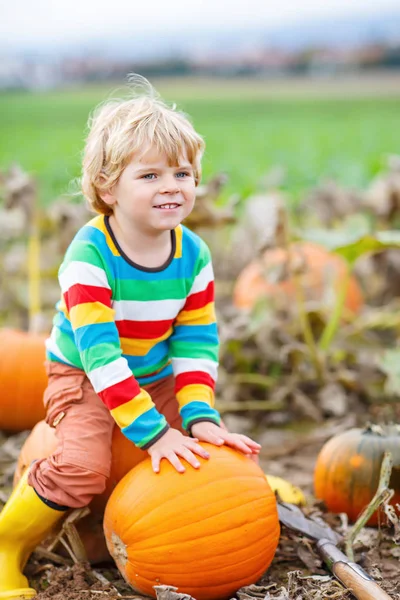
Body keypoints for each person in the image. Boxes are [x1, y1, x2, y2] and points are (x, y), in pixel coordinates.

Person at [0, 76, 261, 599]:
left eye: (182, 173)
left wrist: (198, 415)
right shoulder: (90, 257)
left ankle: (111, 525)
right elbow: (101, 358)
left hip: (153, 373)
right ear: (107, 187)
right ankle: (8, 546)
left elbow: (194, 343)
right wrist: (154, 432)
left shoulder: (194, 255)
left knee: (201, 456)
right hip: (86, 377)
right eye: (150, 175)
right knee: (81, 468)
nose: (172, 185)